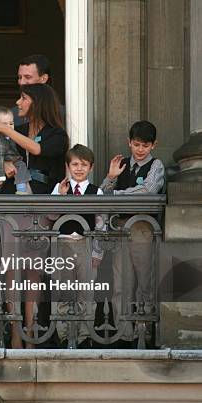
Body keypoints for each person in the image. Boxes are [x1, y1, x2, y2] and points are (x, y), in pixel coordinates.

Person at [0, 83, 69, 348]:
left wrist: (5, 129)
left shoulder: (57, 134)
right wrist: (2, 166)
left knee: (33, 274)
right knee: (10, 272)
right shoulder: (15, 131)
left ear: (37, 102)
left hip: (40, 208)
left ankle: (31, 337)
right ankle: (16, 337)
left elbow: (39, 150)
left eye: (23, 98)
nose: (18, 103)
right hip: (11, 206)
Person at [99, 120, 165, 342]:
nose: (139, 150)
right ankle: (123, 333)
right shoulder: (122, 165)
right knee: (121, 282)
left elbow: (148, 190)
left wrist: (117, 195)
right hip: (120, 228)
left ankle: (143, 332)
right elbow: (101, 195)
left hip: (142, 228)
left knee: (145, 281)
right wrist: (111, 177)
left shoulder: (156, 165)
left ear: (153, 145)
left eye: (145, 146)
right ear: (129, 142)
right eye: (136, 145)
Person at [51, 144, 105, 347]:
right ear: (67, 166)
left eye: (84, 164)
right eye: (75, 164)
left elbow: (100, 224)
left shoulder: (95, 191)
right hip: (63, 243)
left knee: (86, 292)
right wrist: (61, 196)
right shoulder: (60, 188)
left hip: (86, 244)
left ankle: (83, 336)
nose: (79, 168)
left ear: (91, 167)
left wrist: (97, 252)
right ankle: (64, 335)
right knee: (64, 291)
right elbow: (51, 217)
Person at [12, 54, 65, 127]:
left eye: (28, 77)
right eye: (20, 77)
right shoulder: (10, 115)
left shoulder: (61, 114)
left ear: (44, 78)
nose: (22, 82)